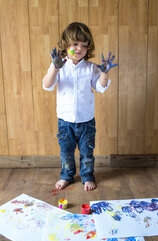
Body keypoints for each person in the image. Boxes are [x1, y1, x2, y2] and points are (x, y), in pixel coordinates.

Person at [42, 22, 118, 191]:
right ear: (65, 44)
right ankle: (66, 175)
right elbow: (47, 85)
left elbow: (100, 87)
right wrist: (55, 68)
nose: (79, 49)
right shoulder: (58, 65)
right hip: (65, 121)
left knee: (87, 153)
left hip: (87, 121)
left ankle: (87, 175)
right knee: (66, 153)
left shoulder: (91, 68)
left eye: (84, 45)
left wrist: (104, 74)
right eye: (75, 44)